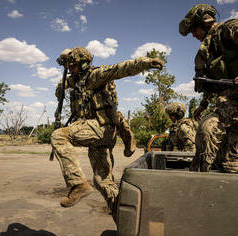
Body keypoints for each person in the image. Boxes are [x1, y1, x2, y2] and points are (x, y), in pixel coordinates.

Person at [51, 47, 163, 214]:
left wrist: (144, 63)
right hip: (99, 134)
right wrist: (60, 87)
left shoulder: (95, 75)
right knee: (103, 181)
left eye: (71, 66)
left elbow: (120, 68)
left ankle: (78, 184)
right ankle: (125, 220)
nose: (69, 71)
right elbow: (62, 86)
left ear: (81, 63)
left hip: (102, 128)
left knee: (59, 136)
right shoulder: (76, 80)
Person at [179, 4, 238, 173]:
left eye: (195, 30)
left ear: (205, 22)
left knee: (207, 129)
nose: (194, 35)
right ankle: (231, 179)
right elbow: (212, 83)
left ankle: (197, 178)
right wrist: (203, 105)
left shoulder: (230, 29)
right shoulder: (207, 51)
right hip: (227, 99)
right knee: (227, 154)